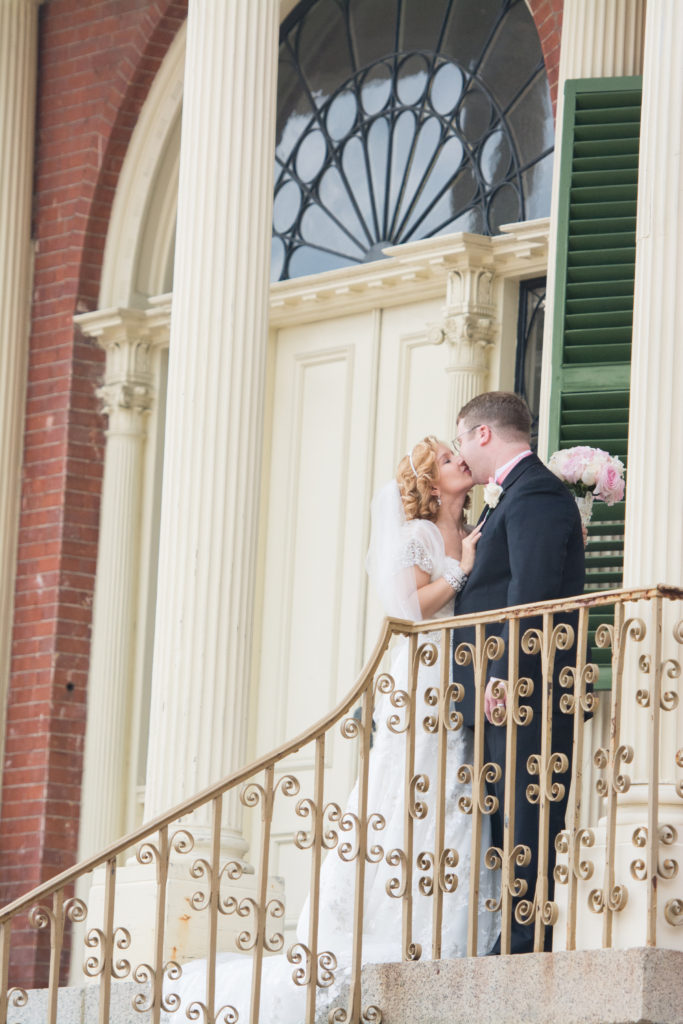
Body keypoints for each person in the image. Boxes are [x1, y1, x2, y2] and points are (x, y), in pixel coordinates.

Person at [166, 438, 499, 1022]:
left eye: (457, 454)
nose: (459, 461)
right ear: (429, 481)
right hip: (426, 672)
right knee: (412, 785)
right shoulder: (420, 536)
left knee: (456, 785)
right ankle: (395, 918)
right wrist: (460, 570)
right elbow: (410, 609)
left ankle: (450, 911)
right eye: (447, 459)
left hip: (466, 671)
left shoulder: (473, 523)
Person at [451, 391, 586, 955]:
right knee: (504, 810)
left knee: (527, 805)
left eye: (461, 438)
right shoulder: (510, 497)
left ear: (483, 434)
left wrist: (505, 675)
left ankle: (527, 935)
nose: (460, 451)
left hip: (521, 691)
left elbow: (526, 596)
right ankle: (511, 927)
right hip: (496, 690)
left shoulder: (535, 494)